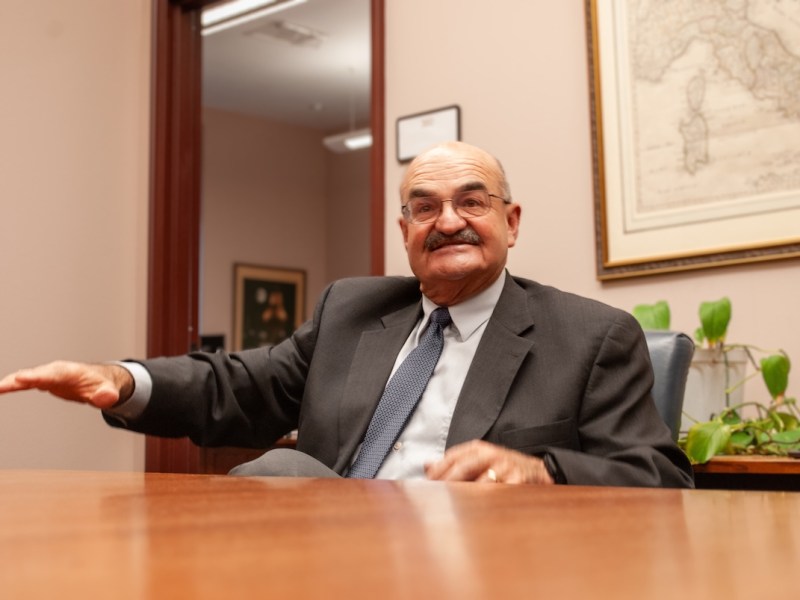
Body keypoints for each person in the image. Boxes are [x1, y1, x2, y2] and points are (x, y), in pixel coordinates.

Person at [0, 141, 693, 487]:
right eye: (425, 207)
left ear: (511, 223)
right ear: (405, 231)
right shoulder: (352, 311)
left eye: (471, 202)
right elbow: (241, 386)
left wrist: (542, 473)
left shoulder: (591, 336)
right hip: (326, 555)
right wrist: (122, 381)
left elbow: (659, 474)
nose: (448, 221)